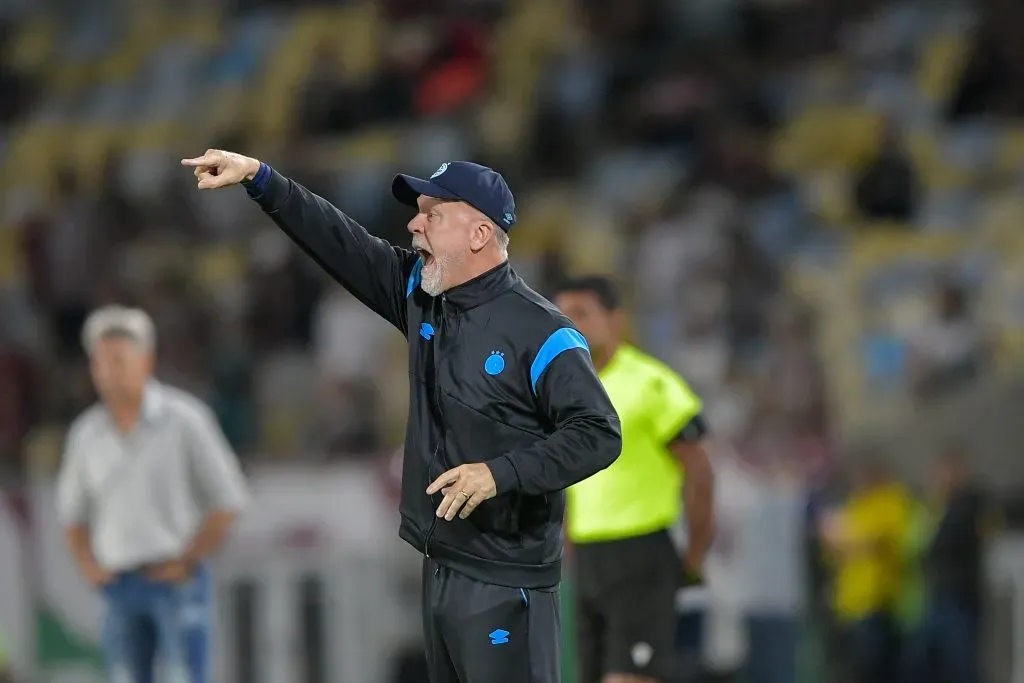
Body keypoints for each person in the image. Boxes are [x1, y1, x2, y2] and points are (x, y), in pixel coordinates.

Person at [180, 150, 623, 683]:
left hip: (509, 582)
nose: (414, 224)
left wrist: (498, 473)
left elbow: (599, 432)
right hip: (441, 567)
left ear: (480, 233)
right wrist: (261, 178)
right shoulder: (422, 293)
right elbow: (339, 240)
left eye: (433, 214)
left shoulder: (543, 332)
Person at [56, 305, 249, 683]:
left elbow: (228, 501)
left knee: (183, 676)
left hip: (176, 580)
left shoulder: (184, 420)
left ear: (146, 360)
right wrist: (89, 566)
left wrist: (187, 559)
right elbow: (71, 513)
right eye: (101, 362)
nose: (109, 372)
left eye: (119, 360)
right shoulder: (87, 433)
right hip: (119, 584)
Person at [552, 276, 714, 683]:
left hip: (641, 553)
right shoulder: (562, 391)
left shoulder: (650, 383)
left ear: (616, 320)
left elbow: (699, 472)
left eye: (581, 314)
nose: (569, 324)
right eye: (561, 315)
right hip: (587, 558)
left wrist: (695, 552)